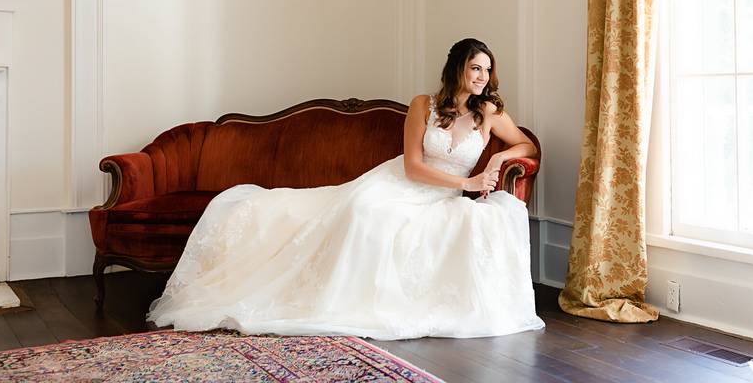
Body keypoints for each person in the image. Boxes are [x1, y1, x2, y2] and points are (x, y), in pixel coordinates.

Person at [147, 38, 545, 340]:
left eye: (487, 71)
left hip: (440, 197)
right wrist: (468, 182)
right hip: (399, 182)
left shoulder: (488, 112)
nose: (482, 78)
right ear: (458, 68)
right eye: (475, 68)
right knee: (364, 212)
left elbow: (525, 143)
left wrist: (494, 161)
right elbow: (413, 165)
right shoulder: (423, 105)